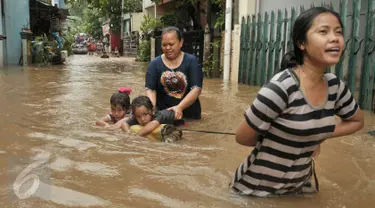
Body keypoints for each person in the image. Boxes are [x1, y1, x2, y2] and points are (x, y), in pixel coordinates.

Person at [230, 7, 364, 197]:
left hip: (299, 188)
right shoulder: (280, 88)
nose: (334, 38)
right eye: (323, 31)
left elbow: (357, 121)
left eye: (339, 32)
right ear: (302, 43)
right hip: (255, 191)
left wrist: (315, 134)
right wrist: (284, 137)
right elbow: (242, 137)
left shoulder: (336, 87)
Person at [145, 26, 203, 122]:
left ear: (181, 43)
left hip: (189, 115)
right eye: (164, 45)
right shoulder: (154, 64)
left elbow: (196, 89)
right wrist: (152, 108)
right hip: (162, 115)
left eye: (171, 44)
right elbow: (150, 89)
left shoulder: (192, 61)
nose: (168, 48)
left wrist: (179, 108)